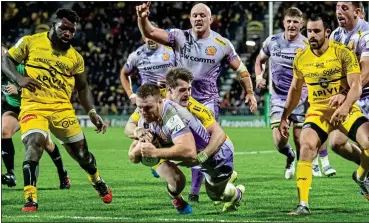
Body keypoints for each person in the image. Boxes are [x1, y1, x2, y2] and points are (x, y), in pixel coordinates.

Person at [136, 2, 257, 202]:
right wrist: (142, 17)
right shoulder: (178, 36)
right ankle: (197, 178)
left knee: (203, 144)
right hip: (178, 96)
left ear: (211, 19)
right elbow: (149, 32)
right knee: (170, 133)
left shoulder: (222, 44)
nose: (198, 19)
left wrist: (250, 92)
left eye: (202, 15)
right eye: (194, 16)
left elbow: (242, 71)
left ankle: (196, 189)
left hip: (207, 100)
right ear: (190, 19)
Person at [1, 8, 112, 212]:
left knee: (82, 155)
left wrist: (92, 112)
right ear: (54, 25)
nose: (68, 33)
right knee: (34, 144)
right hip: (33, 106)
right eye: (64, 28)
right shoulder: (30, 42)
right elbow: (6, 60)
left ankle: (96, 179)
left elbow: (83, 87)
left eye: (72, 30)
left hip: (62, 109)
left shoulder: (75, 57)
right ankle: (30, 198)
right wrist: (19, 79)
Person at [279, 13, 369, 215]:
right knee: (306, 146)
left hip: (345, 109)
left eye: (317, 31)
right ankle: (303, 204)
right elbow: (294, 91)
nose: (312, 35)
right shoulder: (301, 58)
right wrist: (284, 117)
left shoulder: (343, 53)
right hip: (318, 112)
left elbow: (356, 86)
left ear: (327, 32)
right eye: (309, 31)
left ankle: (362, 177)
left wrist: (345, 106)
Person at [125, 68, 238, 201]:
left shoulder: (194, 108)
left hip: (216, 156)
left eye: (189, 89)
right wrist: (138, 132)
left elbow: (219, 135)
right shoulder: (153, 101)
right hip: (193, 155)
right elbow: (129, 126)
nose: (188, 94)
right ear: (169, 90)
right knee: (139, 148)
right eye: (182, 90)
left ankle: (236, 192)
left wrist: (201, 157)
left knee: (215, 196)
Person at [255, 7, 336, 179]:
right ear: (284, 22)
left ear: (301, 25)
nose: (291, 25)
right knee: (279, 141)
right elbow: (259, 60)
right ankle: (290, 156)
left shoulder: (307, 45)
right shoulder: (272, 41)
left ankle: (304, 176)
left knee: (301, 139)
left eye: (295, 22)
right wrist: (258, 76)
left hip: (301, 97)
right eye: (289, 21)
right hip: (278, 98)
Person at [1, 28, 70, 190]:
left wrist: (19, 89)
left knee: (46, 144)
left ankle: (63, 173)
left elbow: (41, 85)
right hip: (14, 107)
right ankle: (10, 173)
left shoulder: (18, 64)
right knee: (4, 130)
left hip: (34, 106)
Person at [328, 1, 369, 173]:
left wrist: (346, 95)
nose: (339, 12)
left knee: (365, 142)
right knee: (337, 143)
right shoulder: (336, 36)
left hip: (365, 94)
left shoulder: (365, 34)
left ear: (356, 12)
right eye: (337, 7)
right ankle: (366, 171)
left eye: (344, 8)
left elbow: (366, 71)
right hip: (352, 96)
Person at [120, 21, 175, 105]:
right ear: (143, 37)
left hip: (170, 98)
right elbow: (123, 73)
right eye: (147, 36)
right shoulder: (136, 55)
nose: (151, 39)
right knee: (133, 119)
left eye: (152, 35)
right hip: (147, 100)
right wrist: (130, 95)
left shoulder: (172, 50)